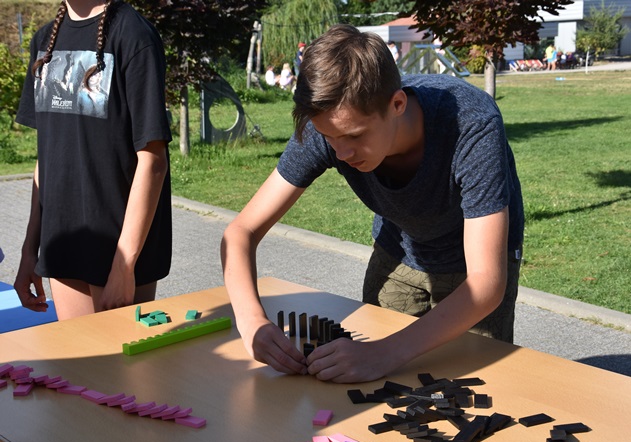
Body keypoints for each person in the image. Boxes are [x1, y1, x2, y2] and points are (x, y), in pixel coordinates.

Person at [221, 24, 524, 383]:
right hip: (399, 249)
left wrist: (384, 353)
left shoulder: (471, 123)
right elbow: (241, 232)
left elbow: (486, 283)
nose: (342, 153)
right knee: (380, 389)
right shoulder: (330, 125)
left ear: (397, 104)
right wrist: (252, 321)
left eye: (355, 136)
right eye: (330, 137)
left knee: (466, 388)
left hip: (473, 265)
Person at [14, 0, 172, 320]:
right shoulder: (45, 40)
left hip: (117, 247)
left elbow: (153, 160)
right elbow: (47, 156)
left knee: (120, 353)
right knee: (79, 354)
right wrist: (30, 249)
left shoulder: (133, 35)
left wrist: (124, 264)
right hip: (63, 243)